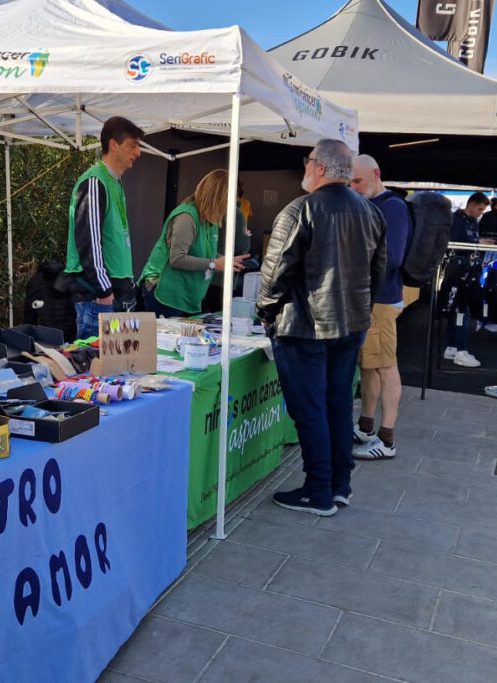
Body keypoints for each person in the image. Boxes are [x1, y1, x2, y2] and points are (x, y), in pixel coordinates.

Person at [256, 139, 386, 516]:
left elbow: (274, 273)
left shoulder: (300, 210)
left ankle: (319, 491)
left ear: (323, 168)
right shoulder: (369, 212)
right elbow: (377, 274)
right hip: (350, 325)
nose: (305, 167)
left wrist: (266, 312)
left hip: (304, 328)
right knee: (338, 402)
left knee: (311, 408)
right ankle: (338, 484)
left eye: (309, 161)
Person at [349, 155, 411, 460]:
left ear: (376, 174)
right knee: (369, 366)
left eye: (358, 181)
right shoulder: (373, 205)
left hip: (382, 301)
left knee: (386, 367)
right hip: (370, 299)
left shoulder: (393, 207)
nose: (353, 187)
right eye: (350, 182)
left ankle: (386, 441)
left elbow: (393, 257)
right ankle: (366, 427)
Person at [65, 116, 144, 338]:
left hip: (114, 296)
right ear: (113, 145)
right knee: (98, 367)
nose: (138, 153)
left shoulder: (114, 182)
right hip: (99, 299)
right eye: (133, 145)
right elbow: (88, 242)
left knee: (118, 368)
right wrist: (104, 290)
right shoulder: (94, 182)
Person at [139, 169, 248, 318]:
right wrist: (214, 264)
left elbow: (203, 251)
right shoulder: (187, 217)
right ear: (216, 197)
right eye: (228, 201)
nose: (230, 207)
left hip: (186, 298)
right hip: (166, 295)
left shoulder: (210, 220)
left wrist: (225, 261)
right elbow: (177, 258)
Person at [444, 192, 493, 367]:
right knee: (461, 310)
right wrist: (478, 243)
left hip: (468, 269)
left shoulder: (472, 221)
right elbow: (455, 243)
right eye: (480, 209)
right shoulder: (456, 220)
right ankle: (461, 350)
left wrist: (479, 242)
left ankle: (452, 346)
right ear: (472, 204)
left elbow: (469, 240)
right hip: (459, 270)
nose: (481, 213)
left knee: (459, 310)